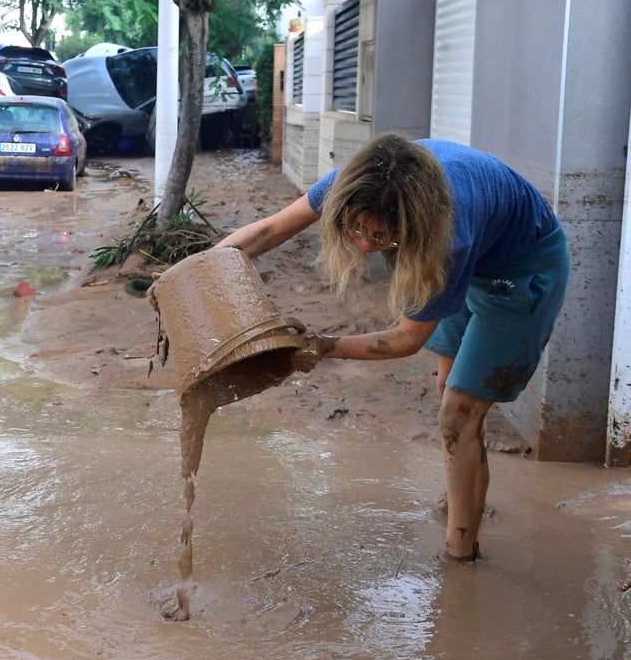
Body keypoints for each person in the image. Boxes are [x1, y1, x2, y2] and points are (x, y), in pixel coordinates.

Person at [215, 133, 570, 562]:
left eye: (382, 234)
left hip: (522, 267)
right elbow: (269, 230)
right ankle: (465, 493)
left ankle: (461, 553)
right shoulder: (357, 183)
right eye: (357, 229)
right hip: (478, 247)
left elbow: (405, 339)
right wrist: (195, 272)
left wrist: (318, 346)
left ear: (411, 222)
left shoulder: (447, 240)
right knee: (448, 390)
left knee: (458, 412)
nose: (366, 246)